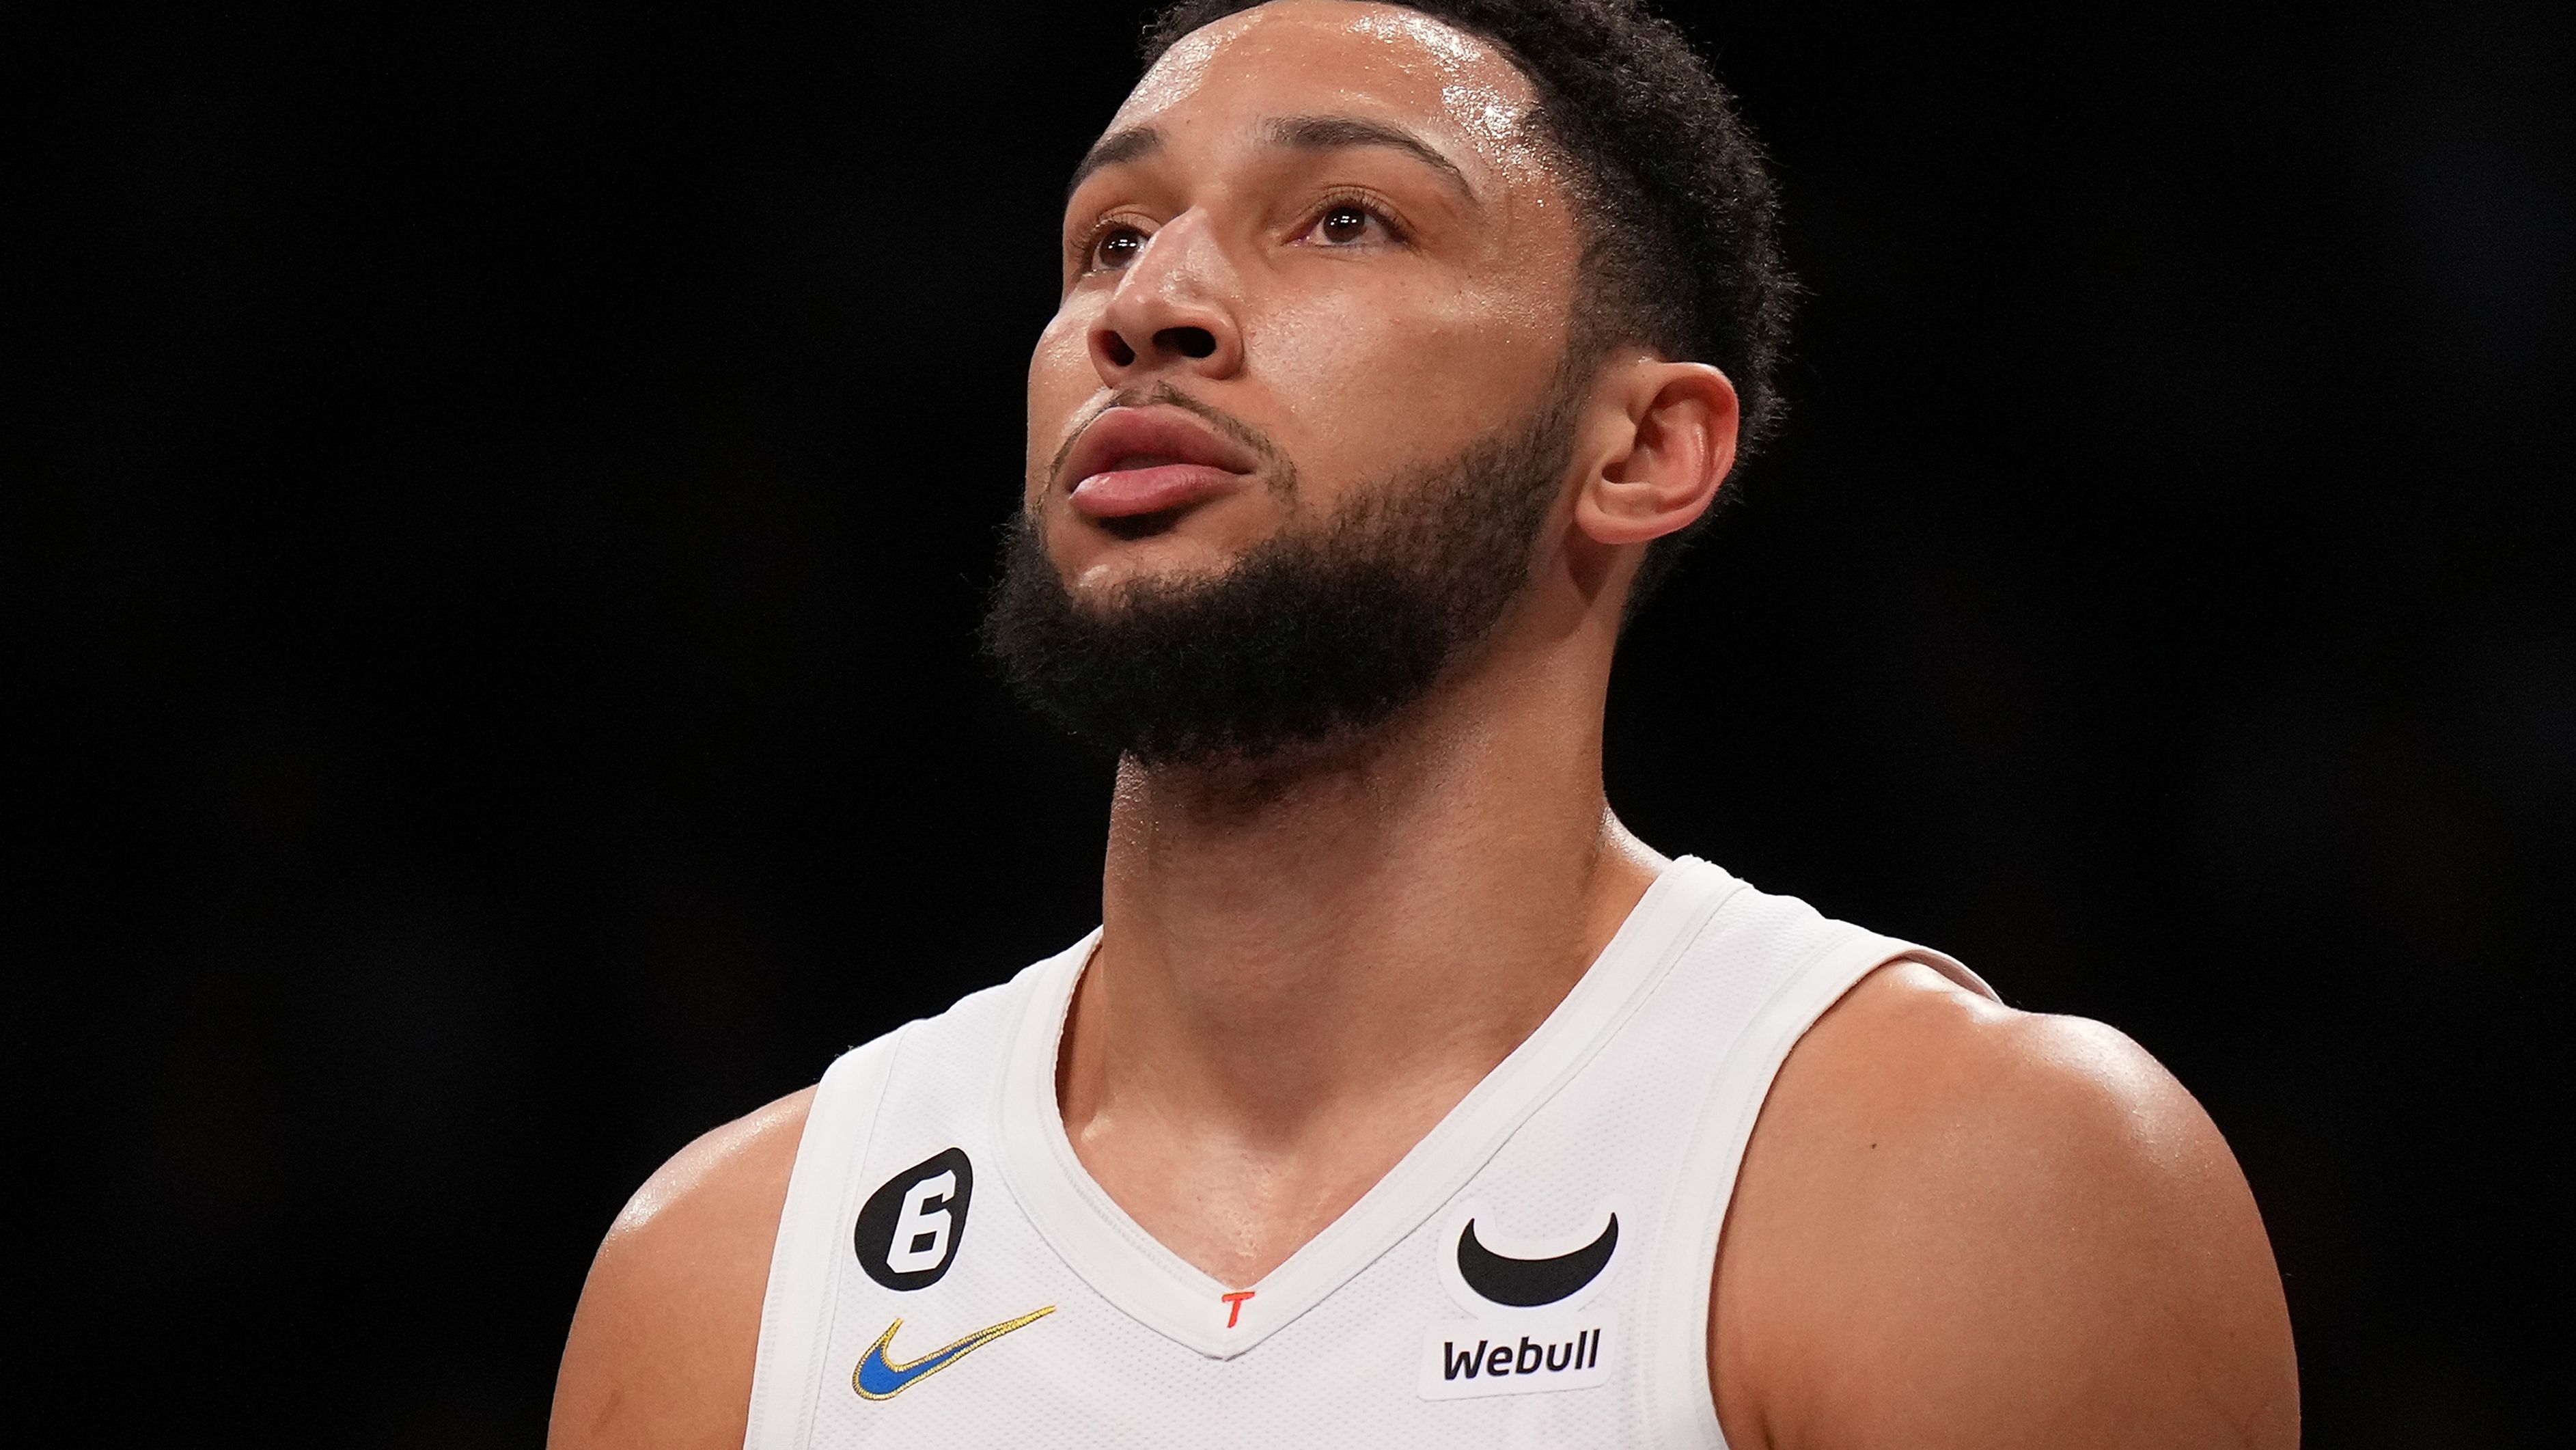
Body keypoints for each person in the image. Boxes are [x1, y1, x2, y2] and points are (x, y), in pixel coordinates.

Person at [549, 2, 2299, 1445]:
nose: (1146, 305)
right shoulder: (729, 1270)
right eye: (1109, 235)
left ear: (1637, 450)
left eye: (1343, 220)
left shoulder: (1958, 1182)